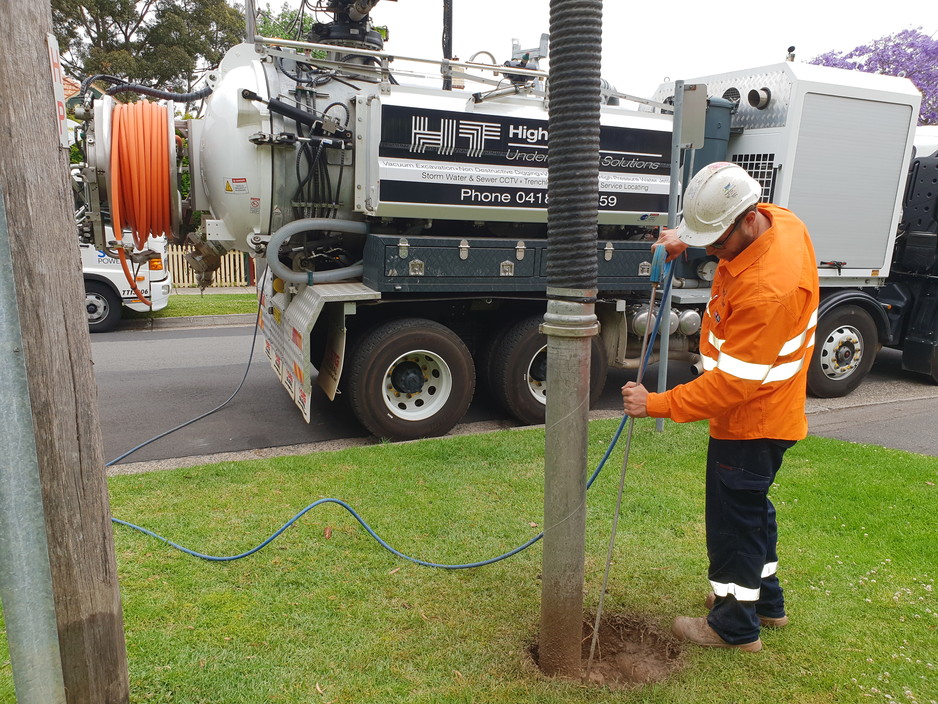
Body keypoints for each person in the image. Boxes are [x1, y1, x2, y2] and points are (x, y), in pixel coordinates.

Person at [621, 162, 820, 652]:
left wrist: (658, 403)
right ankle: (767, 605)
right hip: (773, 414)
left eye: (717, 241)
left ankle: (733, 627)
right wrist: (684, 238)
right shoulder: (781, 221)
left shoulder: (767, 290)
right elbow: (719, 233)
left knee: (734, 523)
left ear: (747, 220)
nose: (711, 251)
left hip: (751, 422)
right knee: (751, 512)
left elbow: (732, 385)